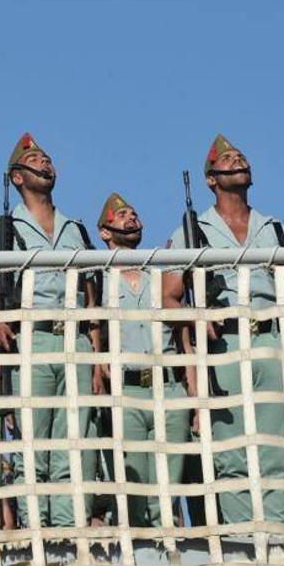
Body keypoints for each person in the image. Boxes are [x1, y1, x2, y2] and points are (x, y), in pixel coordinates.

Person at [162, 134, 284, 526]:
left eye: (242, 158)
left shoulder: (278, 230)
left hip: (272, 341)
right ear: (210, 179)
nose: (238, 161)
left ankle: (277, 542)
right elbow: (169, 296)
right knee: (230, 455)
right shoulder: (194, 230)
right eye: (228, 159)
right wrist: (199, 320)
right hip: (223, 346)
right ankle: (243, 548)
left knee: (276, 452)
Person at [0, 132, 102, 530]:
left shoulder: (75, 229)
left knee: (73, 443)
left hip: (73, 340)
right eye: (35, 160)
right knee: (32, 447)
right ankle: (38, 531)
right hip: (30, 338)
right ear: (17, 177)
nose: (45, 164)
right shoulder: (3, 228)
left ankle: (69, 530)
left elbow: (91, 295)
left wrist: (97, 350)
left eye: (48, 159)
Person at [96, 192, 191, 527]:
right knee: (133, 484)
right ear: (104, 232)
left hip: (167, 385)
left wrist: (192, 391)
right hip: (127, 388)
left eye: (134, 212)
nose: (131, 217)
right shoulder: (97, 276)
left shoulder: (159, 275)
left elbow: (182, 338)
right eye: (121, 214)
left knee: (170, 485)